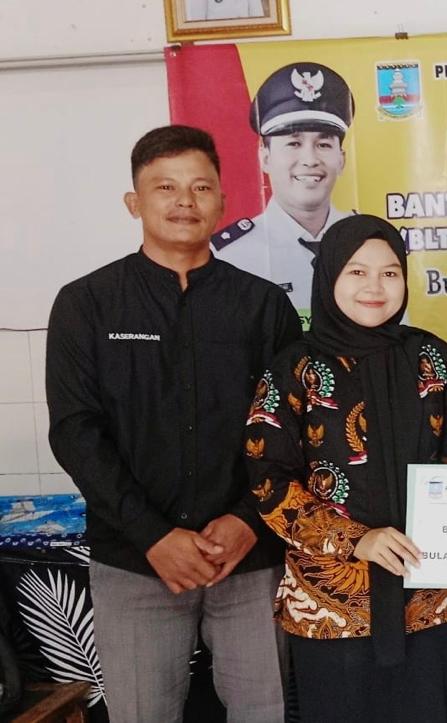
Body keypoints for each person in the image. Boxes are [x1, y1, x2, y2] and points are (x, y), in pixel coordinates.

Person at [45, 125, 300, 722]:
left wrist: (246, 521)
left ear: (223, 202)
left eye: (201, 187)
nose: (185, 201)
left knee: (264, 711)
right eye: (165, 187)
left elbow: (293, 428)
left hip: (249, 556)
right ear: (134, 202)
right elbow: (76, 432)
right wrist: (153, 536)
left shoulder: (263, 306)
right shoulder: (86, 303)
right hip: (136, 559)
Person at [243, 214, 447, 722]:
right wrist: (356, 540)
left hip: (430, 595)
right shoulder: (296, 368)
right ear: (329, 277)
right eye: (357, 272)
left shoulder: (433, 357)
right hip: (330, 605)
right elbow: (268, 479)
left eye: (390, 273)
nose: (375, 287)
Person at [213, 61, 355, 321]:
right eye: (293, 143)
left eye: (323, 144)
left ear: (341, 159)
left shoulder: (368, 243)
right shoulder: (229, 256)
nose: (309, 160)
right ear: (265, 157)